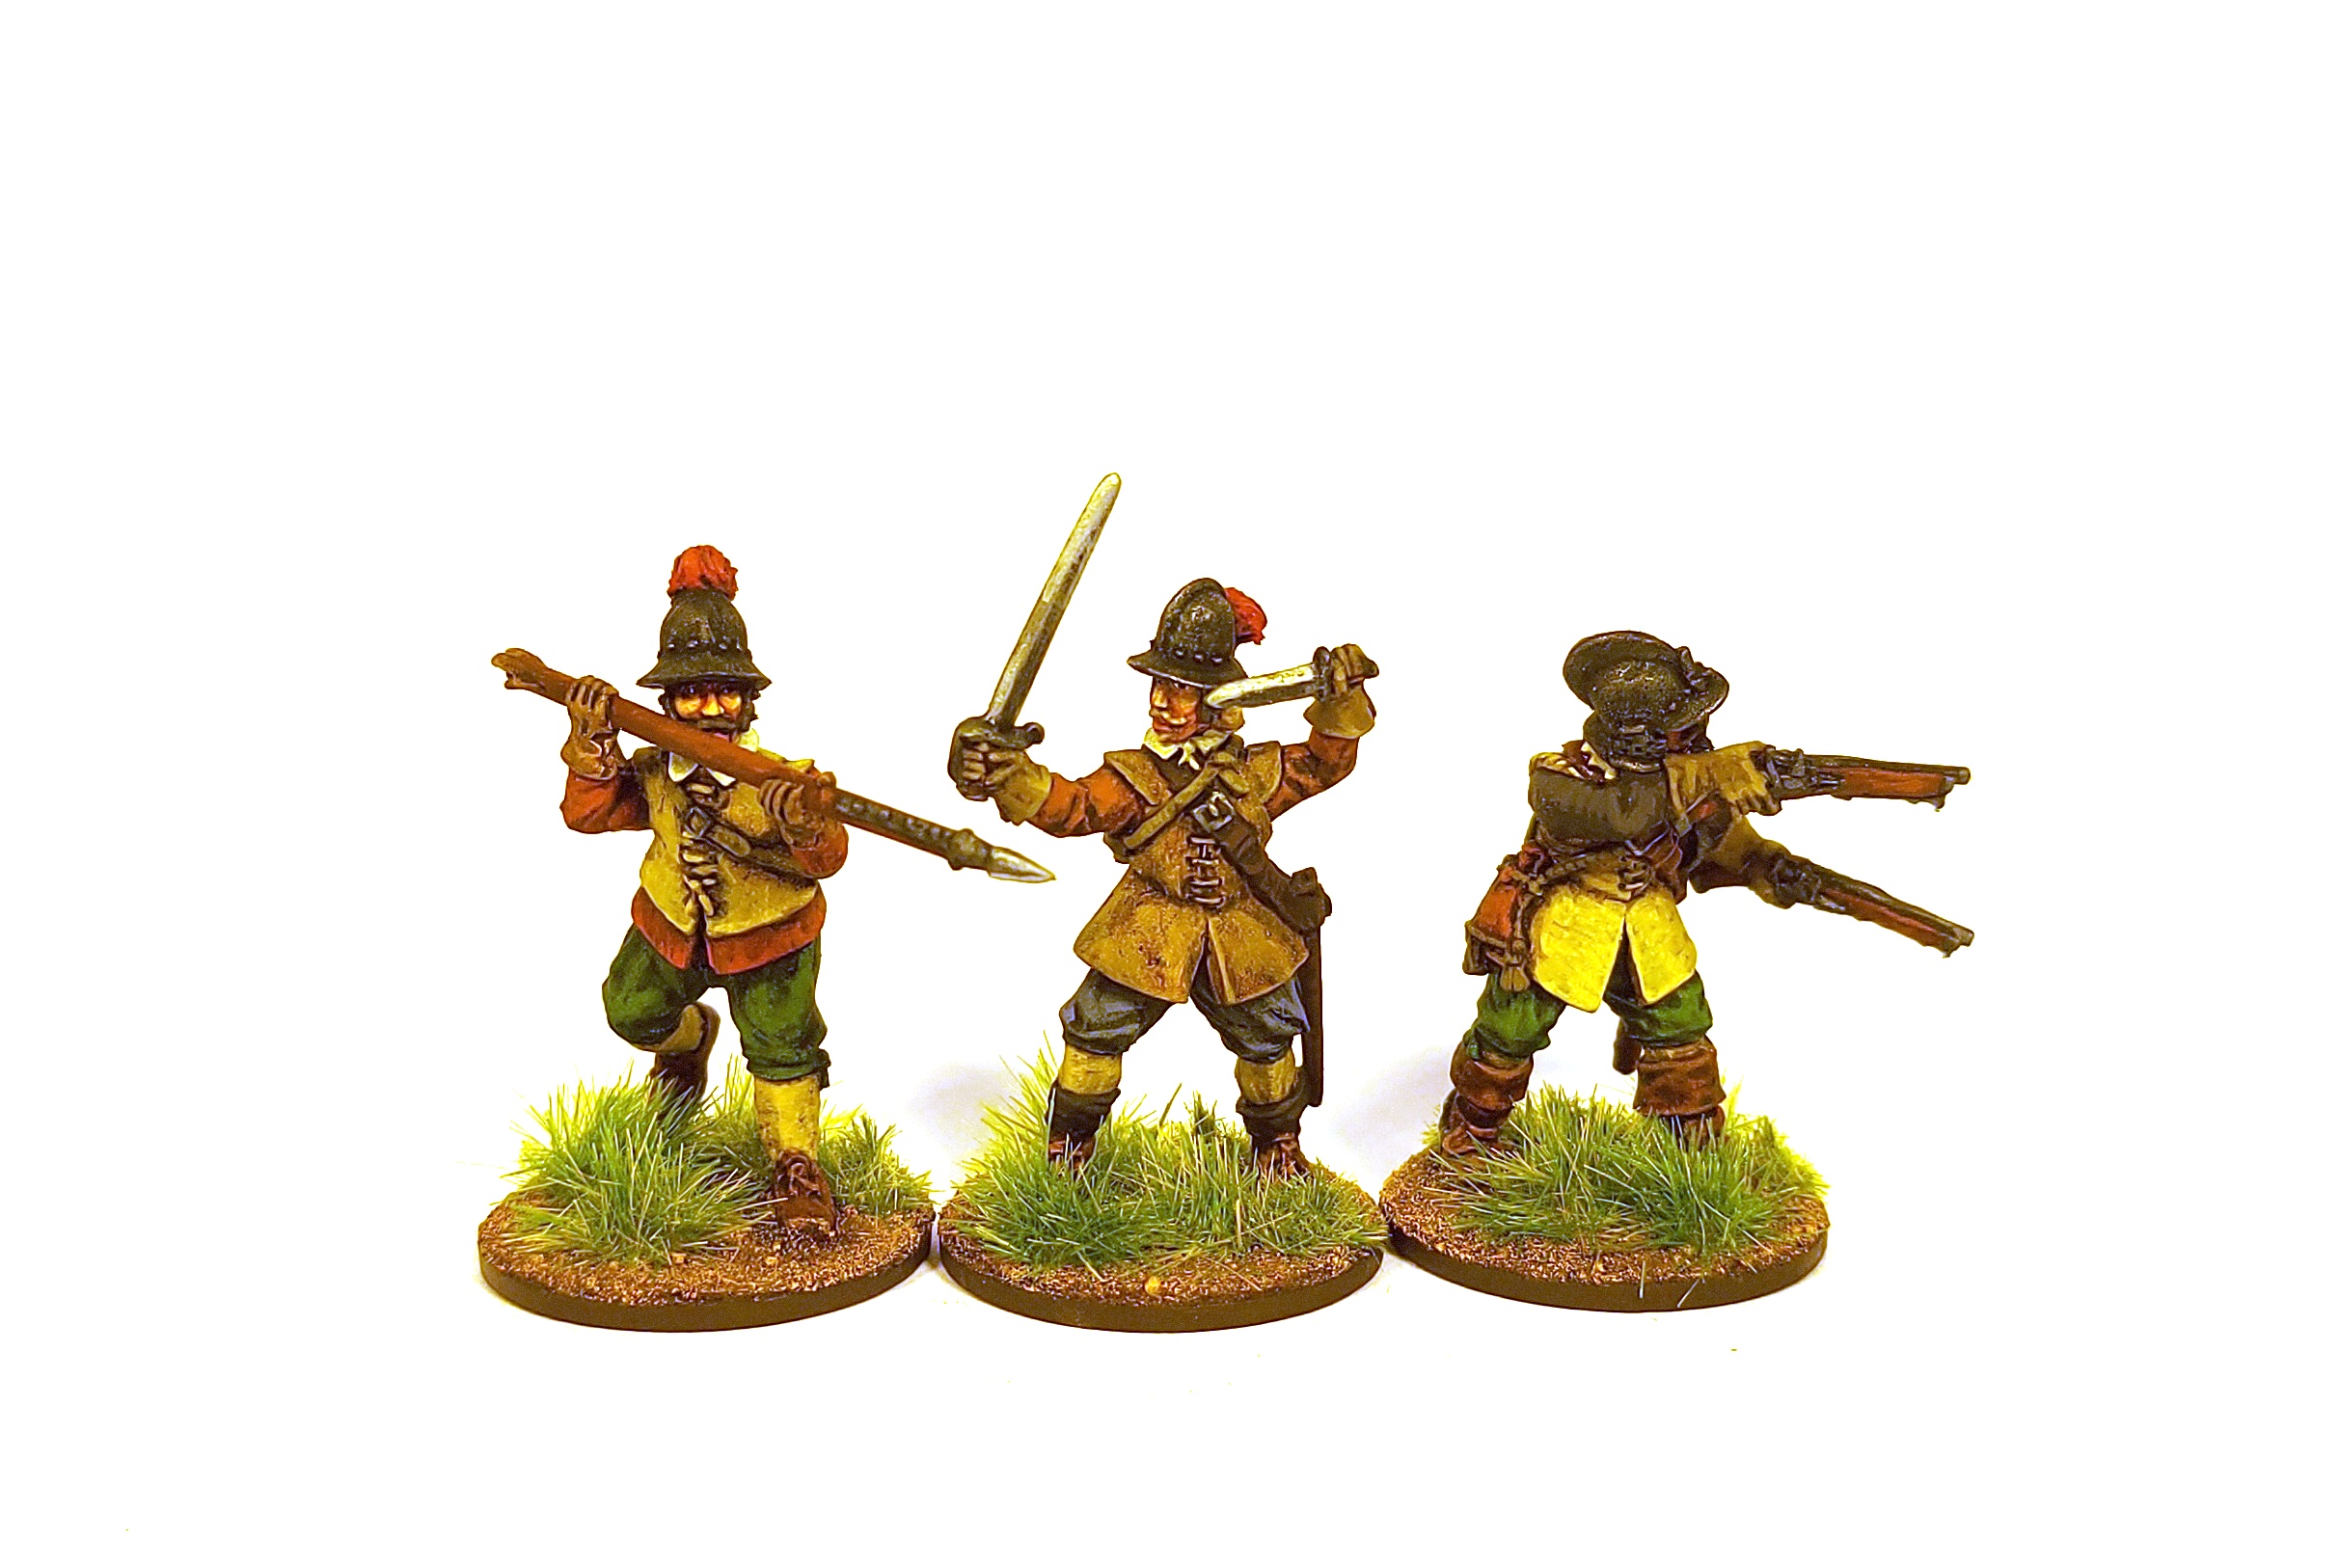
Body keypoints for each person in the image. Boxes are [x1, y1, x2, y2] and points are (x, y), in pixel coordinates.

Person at [954, 578, 1374, 1176]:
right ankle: (1068, 1154)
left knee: (1269, 1037)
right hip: (1149, 926)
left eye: (1180, 691)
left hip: (1240, 929)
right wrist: (1007, 773)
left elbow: (1325, 764)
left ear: (1218, 702)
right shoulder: (1135, 777)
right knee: (1095, 1031)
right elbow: (1071, 808)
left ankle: (1277, 1150)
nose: (1161, 702)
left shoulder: (1254, 773)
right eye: (1159, 686)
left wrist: (1341, 698)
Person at [557, 545, 847, 1232]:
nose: (709, 706)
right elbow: (588, 815)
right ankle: (688, 1046)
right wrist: (592, 745)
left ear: (748, 701)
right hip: (669, 926)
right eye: (691, 693)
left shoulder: (786, 778)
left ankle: (796, 1165)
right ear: (668, 703)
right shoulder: (654, 770)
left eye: (724, 691)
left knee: (782, 1048)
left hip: (770, 940)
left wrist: (804, 823)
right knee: (631, 1010)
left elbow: (826, 860)